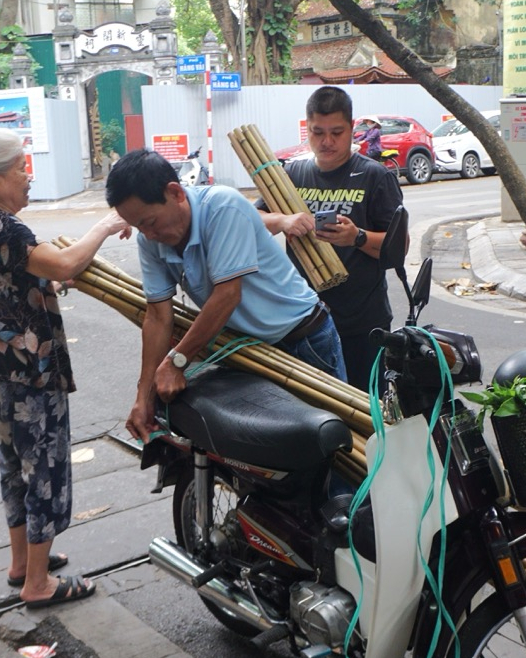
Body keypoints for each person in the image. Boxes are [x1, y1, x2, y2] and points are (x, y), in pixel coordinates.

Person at [0, 127, 130, 609]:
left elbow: (12, 285)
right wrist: (105, 226)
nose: (27, 177)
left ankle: (21, 564)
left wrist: (50, 283)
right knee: (46, 467)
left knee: (15, 465)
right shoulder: (3, 226)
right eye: (18, 170)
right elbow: (62, 263)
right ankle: (38, 585)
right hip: (25, 371)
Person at [107, 149, 346, 442]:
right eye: (137, 226)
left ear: (175, 193)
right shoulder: (150, 240)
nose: (147, 234)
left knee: (332, 446)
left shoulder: (222, 207)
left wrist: (177, 361)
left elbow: (227, 295)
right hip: (250, 353)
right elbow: (158, 317)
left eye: (150, 222)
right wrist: (143, 397)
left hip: (305, 342)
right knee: (275, 459)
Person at [258, 87, 406, 391]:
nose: (327, 141)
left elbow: (398, 249)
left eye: (337, 132)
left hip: (362, 325)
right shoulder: (290, 175)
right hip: (305, 322)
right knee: (316, 417)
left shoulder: (375, 176)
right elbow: (249, 222)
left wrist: (357, 237)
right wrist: (283, 220)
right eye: (318, 132)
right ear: (307, 129)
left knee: (366, 414)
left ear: (352, 129)